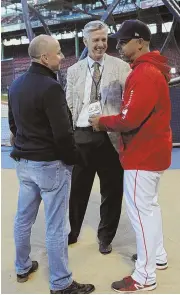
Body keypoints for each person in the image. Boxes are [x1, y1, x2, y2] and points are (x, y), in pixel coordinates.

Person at [89, 19, 172, 292]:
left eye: (124, 41)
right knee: (150, 208)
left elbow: (129, 119)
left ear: (140, 41)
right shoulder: (151, 69)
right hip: (153, 151)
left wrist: (103, 121)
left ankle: (144, 276)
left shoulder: (144, 72)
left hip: (143, 154)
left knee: (140, 213)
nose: (120, 46)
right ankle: (156, 256)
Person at [8, 34, 95, 294]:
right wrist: (74, 160)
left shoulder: (16, 84)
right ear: (45, 58)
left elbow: (14, 126)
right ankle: (61, 282)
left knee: (23, 218)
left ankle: (22, 266)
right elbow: (62, 133)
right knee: (57, 225)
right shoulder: (51, 87)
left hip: (24, 164)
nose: (62, 56)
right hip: (49, 165)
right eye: (58, 52)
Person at [66, 20, 131, 254]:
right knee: (77, 190)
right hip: (82, 137)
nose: (101, 44)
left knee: (112, 191)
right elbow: (69, 105)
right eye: (96, 40)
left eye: (104, 39)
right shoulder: (73, 71)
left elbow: (127, 103)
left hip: (111, 137)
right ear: (85, 42)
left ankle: (105, 237)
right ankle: (72, 232)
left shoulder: (122, 68)